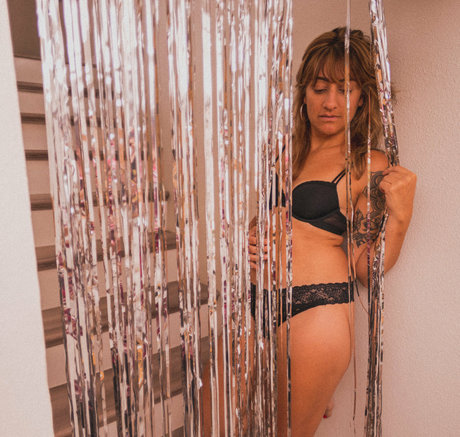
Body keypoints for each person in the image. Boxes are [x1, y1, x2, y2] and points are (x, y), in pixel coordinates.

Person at [246, 27, 416, 436]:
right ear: (304, 93)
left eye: (344, 89)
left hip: (316, 312)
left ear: (362, 98)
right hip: (253, 304)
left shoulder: (368, 164)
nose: (330, 102)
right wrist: (252, 236)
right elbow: (273, 218)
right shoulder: (282, 151)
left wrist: (400, 218)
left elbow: (365, 269)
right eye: (320, 87)